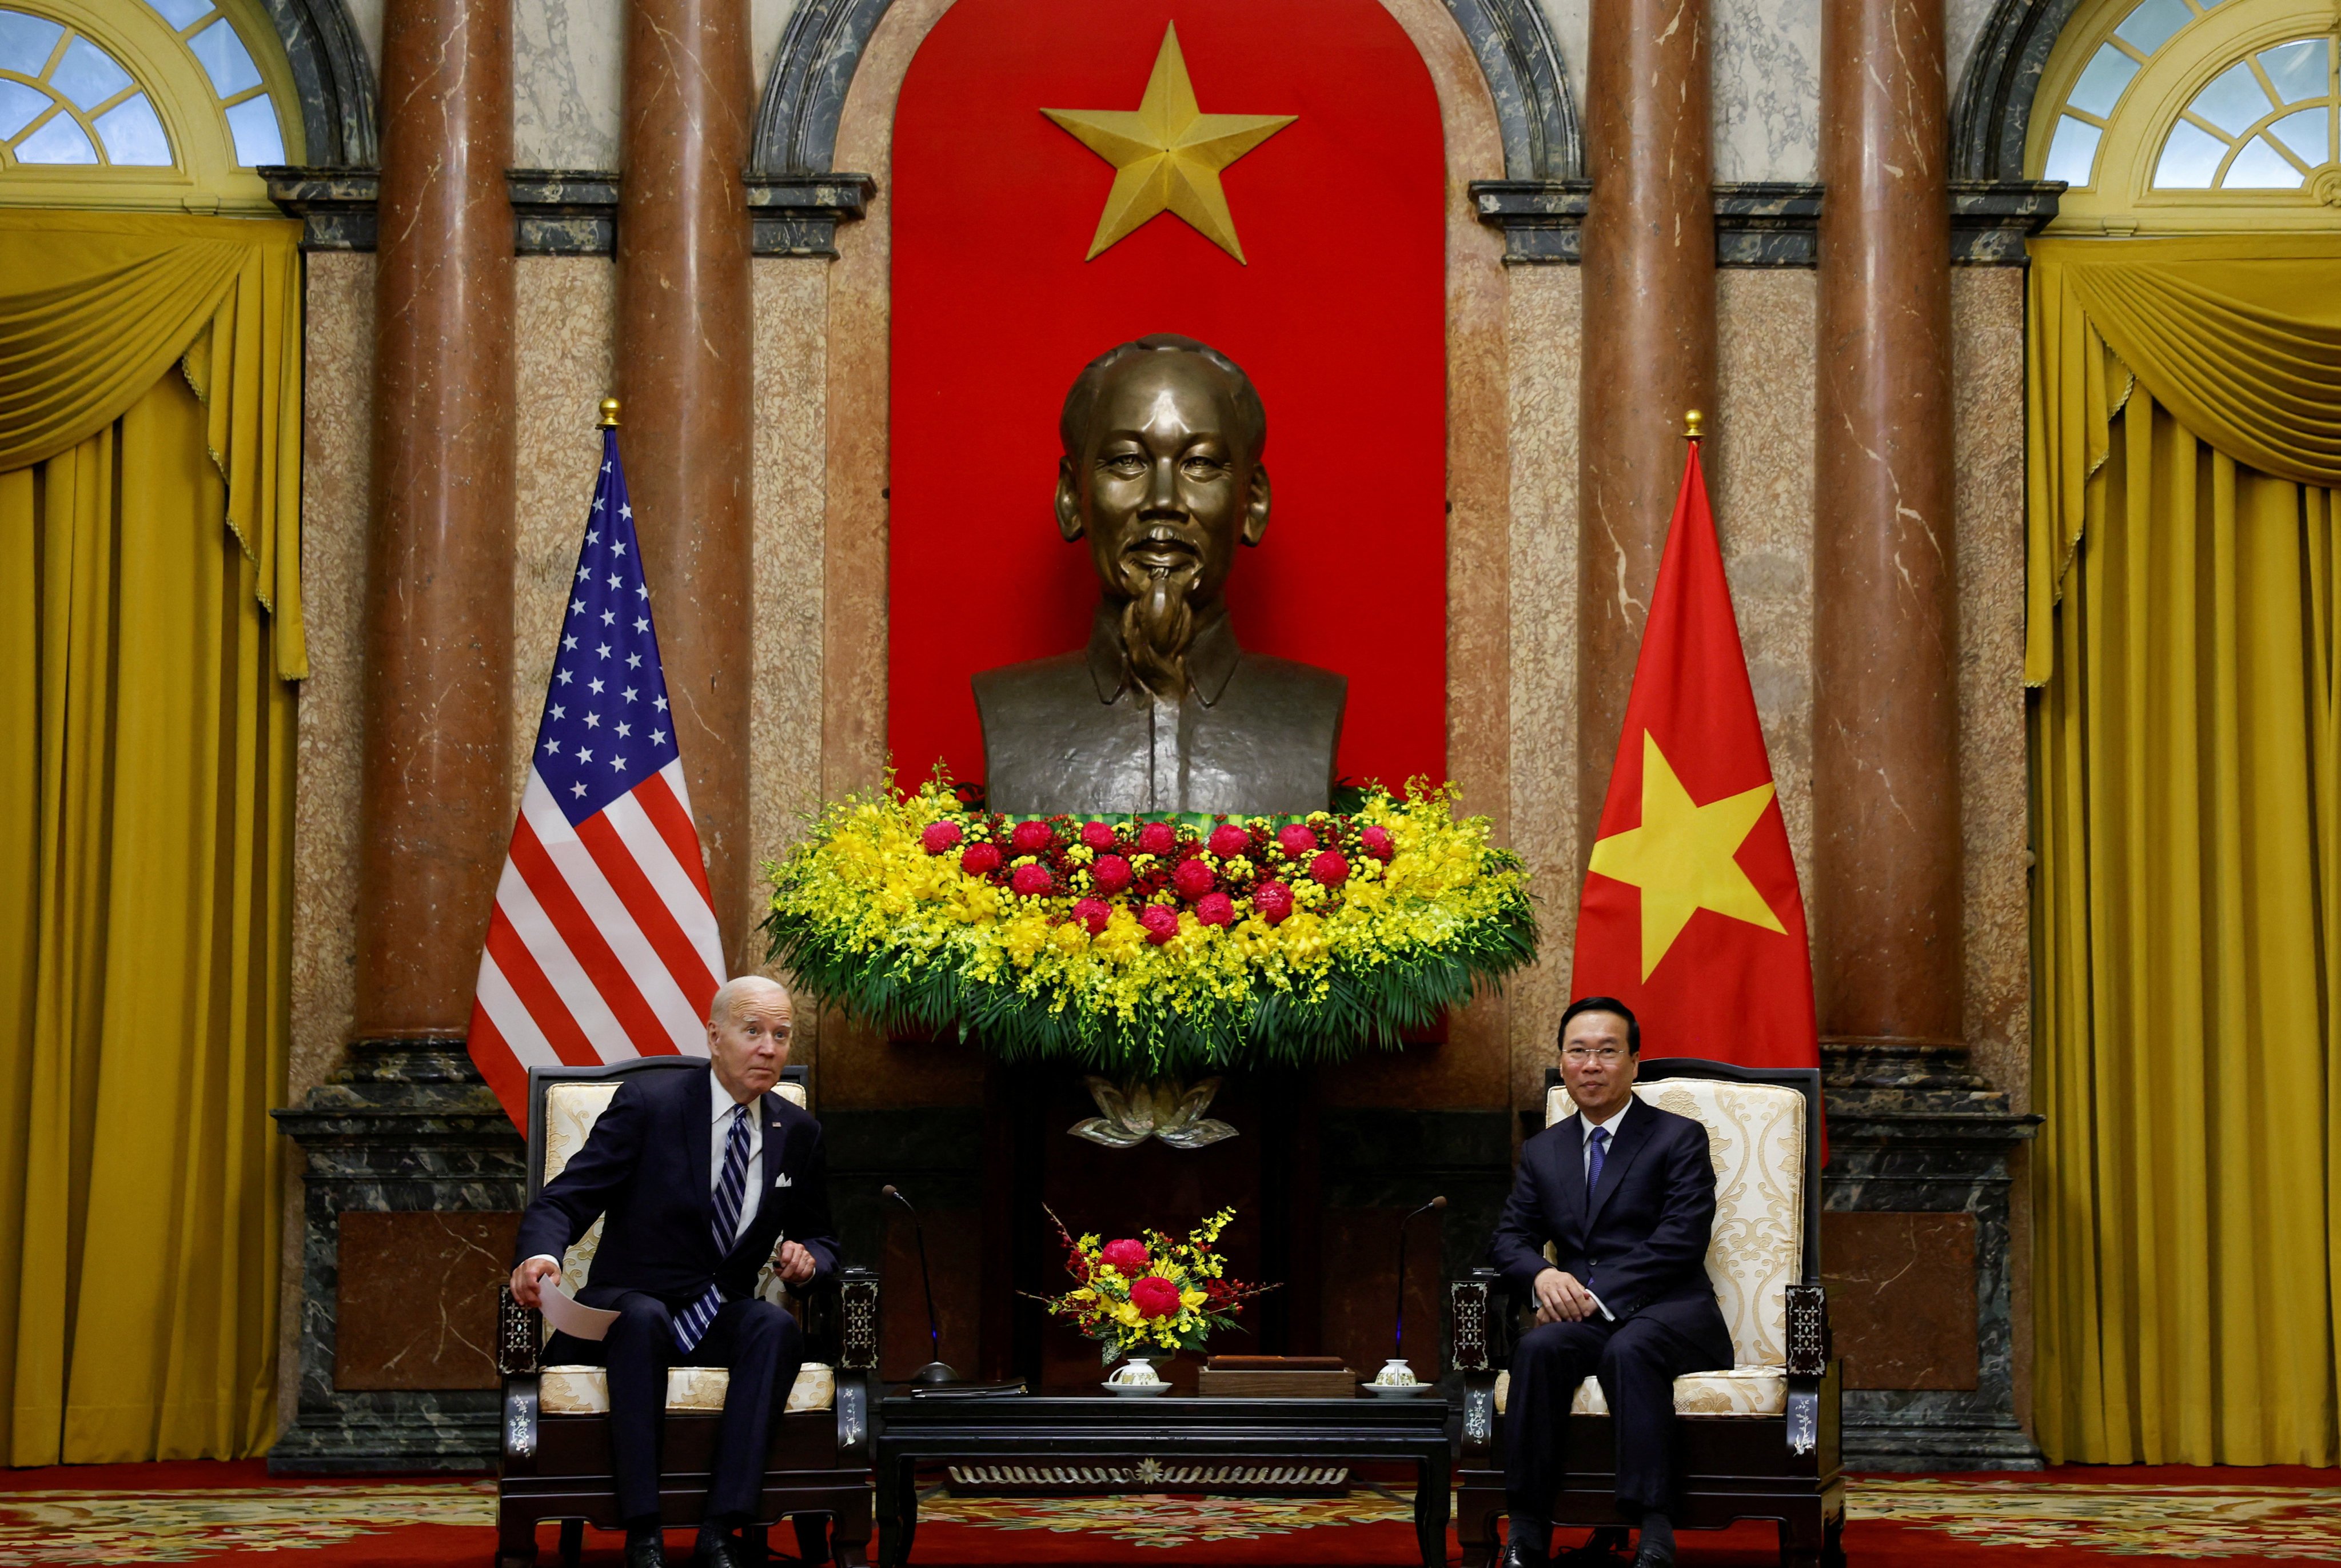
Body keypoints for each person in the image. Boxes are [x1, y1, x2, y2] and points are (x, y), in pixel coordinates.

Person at [509, 976, 838, 1568]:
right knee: (643, 1316)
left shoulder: (799, 1134)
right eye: (753, 1031)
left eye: (782, 1035)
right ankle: (645, 1531)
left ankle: (721, 1527)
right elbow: (565, 1200)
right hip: (633, 1306)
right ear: (715, 1036)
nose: (769, 1047)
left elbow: (823, 1235)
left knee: (772, 1325)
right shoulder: (651, 1106)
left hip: (716, 1313)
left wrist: (809, 1259)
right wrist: (542, 1256)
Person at [972, 332, 1346, 816]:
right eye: (1128, 462)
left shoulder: (1311, 708)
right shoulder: (1010, 710)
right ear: (1071, 497)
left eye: (1200, 464)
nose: (1163, 500)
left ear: (1252, 502)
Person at [1487, 997, 1734, 1567]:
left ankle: (1653, 1526)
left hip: (1672, 1312)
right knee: (1538, 1346)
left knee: (1632, 1347)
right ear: (1563, 1061)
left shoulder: (1677, 1137)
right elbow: (1507, 1241)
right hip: (1583, 1319)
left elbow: (1680, 1242)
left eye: (1606, 1051)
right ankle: (1526, 1527)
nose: (1591, 1064)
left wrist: (1591, 1293)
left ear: (1634, 1062)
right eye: (1578, 1051)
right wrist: (1545, 1275)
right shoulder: (1545, 1150)